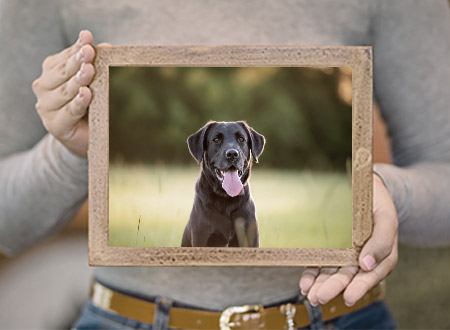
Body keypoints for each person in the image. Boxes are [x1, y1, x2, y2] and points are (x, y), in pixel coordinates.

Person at [0, 0, 449, 328]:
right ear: (202, 150)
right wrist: (72, 152)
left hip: (337, 317)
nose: (230, 150)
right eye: (219, 142)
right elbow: (7, 225)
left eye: (239, 142)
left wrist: (389, 193)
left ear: (252, 149)